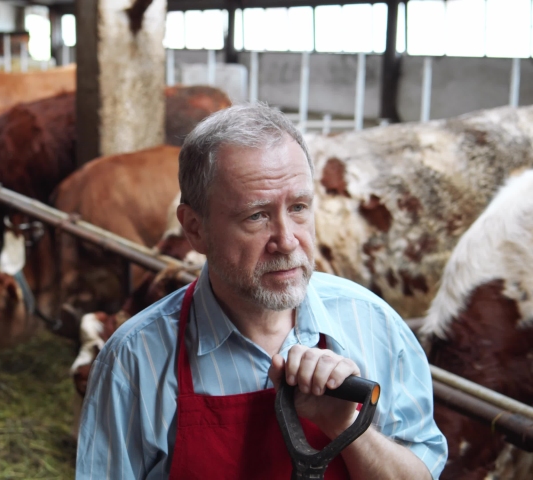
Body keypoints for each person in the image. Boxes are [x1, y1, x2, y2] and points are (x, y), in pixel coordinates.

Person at [75, 103, 447, 479]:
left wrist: (348, 428)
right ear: (194, 229)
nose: (287, 241)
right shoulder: (134, 362)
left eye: (299, 207)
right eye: (256, 216)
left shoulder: (374, 325)